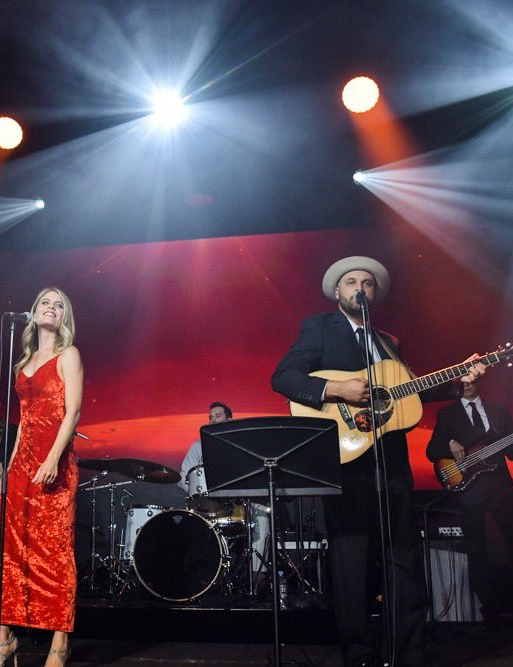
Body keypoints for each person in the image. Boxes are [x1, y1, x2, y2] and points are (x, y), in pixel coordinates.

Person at [272, 256, 485, 667]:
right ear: (338, 292)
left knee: (404, 561)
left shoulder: (390, 342)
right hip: (346, 464)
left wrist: (459, 384)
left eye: (367, 284)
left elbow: (405, 396)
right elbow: (284, 378)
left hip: (392, 465)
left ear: (374, 293)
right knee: (351, 564)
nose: (359, 288)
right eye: (351, 282)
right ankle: (359, 656)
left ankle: (407, 654)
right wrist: (339, 389)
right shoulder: (319, 328)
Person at [0, 287, 83, 667]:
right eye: (45, 302)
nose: (51, 308)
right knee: (4, 548)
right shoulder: (21, 361)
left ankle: (60, 644)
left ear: (65, 317)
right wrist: (10, 468)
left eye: (59, 304)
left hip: (54, 465)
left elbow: (72, 413)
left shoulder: (68, 355)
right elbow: (24, 422)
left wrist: (53, 459)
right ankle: (5, 637)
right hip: (22, 465)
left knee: (54, 553)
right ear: (33, 312)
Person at [425, 378, 513, 631]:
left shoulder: (499, 411)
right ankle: (491, 614)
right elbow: (432, 451)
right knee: (476, 551)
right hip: (468, 489)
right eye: (462, 380)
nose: (466, 384)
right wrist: (449, 444)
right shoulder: (447, 414)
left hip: (501, 488)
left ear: (479, 382)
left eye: (471, 379)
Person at [178, 403, 271, 582]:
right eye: (210, 417)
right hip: (209, 503)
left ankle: (257, 576)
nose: (213, 420)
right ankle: (202, 576)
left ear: (229, 420)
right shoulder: (198, 446)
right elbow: (183, 476)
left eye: (217, 416)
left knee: (260, 514)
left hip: (239, 502)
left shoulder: (242, 444)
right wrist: (196, 489)